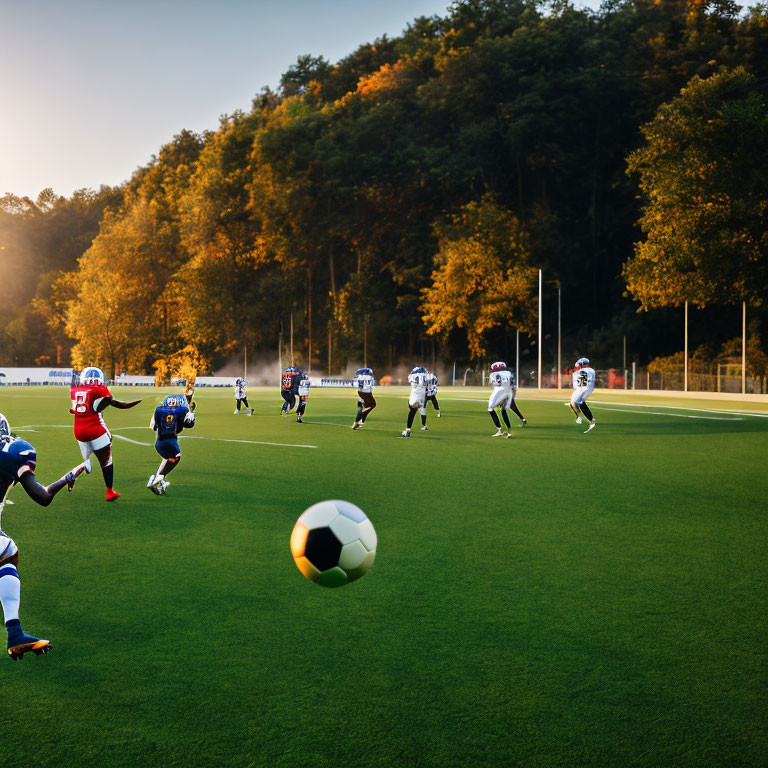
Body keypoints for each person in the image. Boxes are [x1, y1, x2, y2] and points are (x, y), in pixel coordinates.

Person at [0, 413, 90, 660]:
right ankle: (15, 632)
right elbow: (43, 497)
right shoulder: (13, 452)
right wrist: (67, 478)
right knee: (8, 554)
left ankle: (15, 632)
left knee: (6, 549)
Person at [70, 367, 142, 502]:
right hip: (94, 429)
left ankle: (80, 467)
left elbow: (73, 409)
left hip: (78, 431)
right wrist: (135, 402)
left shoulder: (76, 390)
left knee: (87, 460)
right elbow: (120, 405)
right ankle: (110, 491)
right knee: (107, 460)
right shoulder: (99, 389)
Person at [147, 395, 196, 495]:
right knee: (176, 457)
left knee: (167, 459)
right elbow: (189, 424)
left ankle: (159, 480)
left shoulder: (160, 410)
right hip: (169, 441)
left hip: (159, 441)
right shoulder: (181, 411)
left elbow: (153, 426)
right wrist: (191, 416)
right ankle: (158, 478)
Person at [487, 361, 527, 437]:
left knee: (490, 409)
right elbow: (512, 383)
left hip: (498, 392)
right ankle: (508, 432)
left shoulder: (493, 374)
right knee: (503, 410)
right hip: (508, 391)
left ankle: (499, 430)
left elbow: (494, 383)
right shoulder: (508, 373)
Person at [568, 357, 596, 433]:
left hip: (582, 389)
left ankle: (580, 417)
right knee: (580, 403)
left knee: (574, 403)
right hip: (585, 389)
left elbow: (580, 382)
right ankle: (588, 420)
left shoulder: (583, 371)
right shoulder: (590, 371)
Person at [401, 366, 429, 438]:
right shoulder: (425, 375)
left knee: (412, 411)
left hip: (415, 395)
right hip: (422, 395)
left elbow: (409, 379)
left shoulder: (412, 376)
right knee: (420, 408)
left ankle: (408, 430)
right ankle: (423, 425)